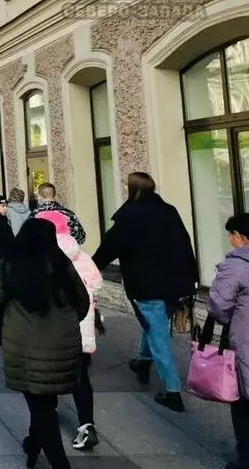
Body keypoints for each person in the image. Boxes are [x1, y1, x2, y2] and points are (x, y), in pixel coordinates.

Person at [0, 218, 90, 469]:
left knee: (41, 407)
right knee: (44, 401)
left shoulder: (11, 263)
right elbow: (82, 303)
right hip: (63, 347)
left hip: (25, 346)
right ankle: (33, 445)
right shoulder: (62, 263)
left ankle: (59, 463)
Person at [93, 172, 197, 413]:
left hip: (147, 283)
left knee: (158, 333)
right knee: (154, 323)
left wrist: (89, 268)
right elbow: (185, 243)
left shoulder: (130, 215)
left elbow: (109, 246)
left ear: (132, 189)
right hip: (176, 282)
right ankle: (142, 360)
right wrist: (191, 278)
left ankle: (173, 391)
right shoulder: (169, 211)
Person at [37, 210, 103, 451]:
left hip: (52, 328)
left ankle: (49, 416)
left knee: (47, 374)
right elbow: (97, 284)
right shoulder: (81, 256)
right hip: (81, 328)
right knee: (80, 377)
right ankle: (87, 425)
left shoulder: (42, 257)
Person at [207, 214, 249, 469]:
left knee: (243, 402)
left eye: (230, 234)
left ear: (239, 236)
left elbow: (219, 306)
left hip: (245, 340)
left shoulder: (236, 265)